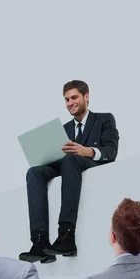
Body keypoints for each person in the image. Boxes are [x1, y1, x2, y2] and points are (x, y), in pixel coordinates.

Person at [19, 80, 120, 264]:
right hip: (67, 166)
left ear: (86, 97)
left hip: (90, 163)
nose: (70, 103)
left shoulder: (104, 119)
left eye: (74, 97)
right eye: (66, 99)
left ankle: (67, 235)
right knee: (34, 172)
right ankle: (40, 242)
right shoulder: (63, 129)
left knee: (70, 159)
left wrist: (87, 151)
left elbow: (111, 151)